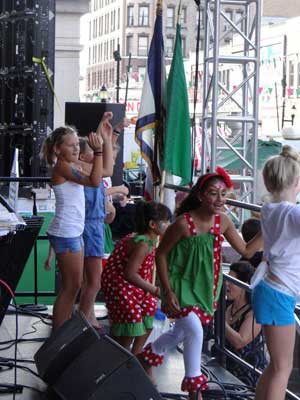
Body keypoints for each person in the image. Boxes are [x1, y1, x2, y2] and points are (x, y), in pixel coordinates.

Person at [137, 167, 263, 400]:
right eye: (214, 193)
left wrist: (268, 227)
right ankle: (196, 392)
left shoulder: (222, 222)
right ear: (200, 195)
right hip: (180, 286)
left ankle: (146, 358)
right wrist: (167, 290)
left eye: (223, 194)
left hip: (206, 288)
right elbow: (161, 254)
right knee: (194, 329)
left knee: (182, 332)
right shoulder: (184, 224)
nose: (219, 199)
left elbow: (246, 250)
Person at [42, 114, 109, 331]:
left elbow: (103, 171)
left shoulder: (71, 164)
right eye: (70, 146)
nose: (76, 149)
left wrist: (104, 140)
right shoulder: (63, 167)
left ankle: (63, 331)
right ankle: (59, 334)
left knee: (76, 284)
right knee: (71, 287)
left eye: (77, 145)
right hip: (66, 232)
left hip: (73, 231)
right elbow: (94, 181)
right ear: (57, 149)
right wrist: (98, 152)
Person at [251, 145, 300, 400]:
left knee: (275, 366)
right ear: (296, 181)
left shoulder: (270, 209)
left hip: (270, 288)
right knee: (283, 367)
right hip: (278, 293)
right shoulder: (291, 213)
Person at [101, 200, 172, 355]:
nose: (169, 225)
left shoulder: (149, 240)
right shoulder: (143, 244)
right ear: (153, 224)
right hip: (120, 285)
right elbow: (130, 274)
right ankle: (119, 355)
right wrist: (154, 289)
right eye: (166, 221)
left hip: (134, 285)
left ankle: (135, 354)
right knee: (130, 322)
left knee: (149, 311)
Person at [78, 121, 114, 329]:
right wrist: (103, 145)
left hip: (92, 224)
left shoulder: (88, 167)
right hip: (89, 226)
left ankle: (87, 314)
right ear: (84, 156)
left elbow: (107, 167)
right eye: (92, 151)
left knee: (87, 280)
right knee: (94, 280)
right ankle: (83, 320)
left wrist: (107, 139)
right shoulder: (82, 168)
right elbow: (107, 169)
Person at [225, 261, 267, 386]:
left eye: (231, 281)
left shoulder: (254, 313)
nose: (226, 284)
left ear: (243, 285)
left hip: (247, 377)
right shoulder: (227, 306)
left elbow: (239, 342)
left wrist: (220, 322)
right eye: (227, 279)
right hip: (225, 370)